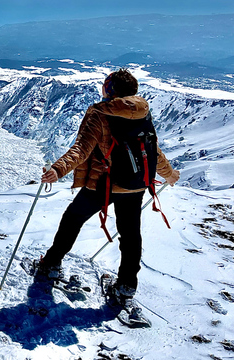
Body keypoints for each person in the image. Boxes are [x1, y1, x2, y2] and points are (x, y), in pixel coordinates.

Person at [37, 68, 180, 305]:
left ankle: (51, 263)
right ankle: (126, 286)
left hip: (103, 184)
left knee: (73, 219)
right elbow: (152, 150)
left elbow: (81, 149)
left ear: (110, 90)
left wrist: (58, 169)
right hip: (136, 186)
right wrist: (170, 174)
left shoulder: (100, 114)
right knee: (131, 234)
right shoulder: (142, 113)